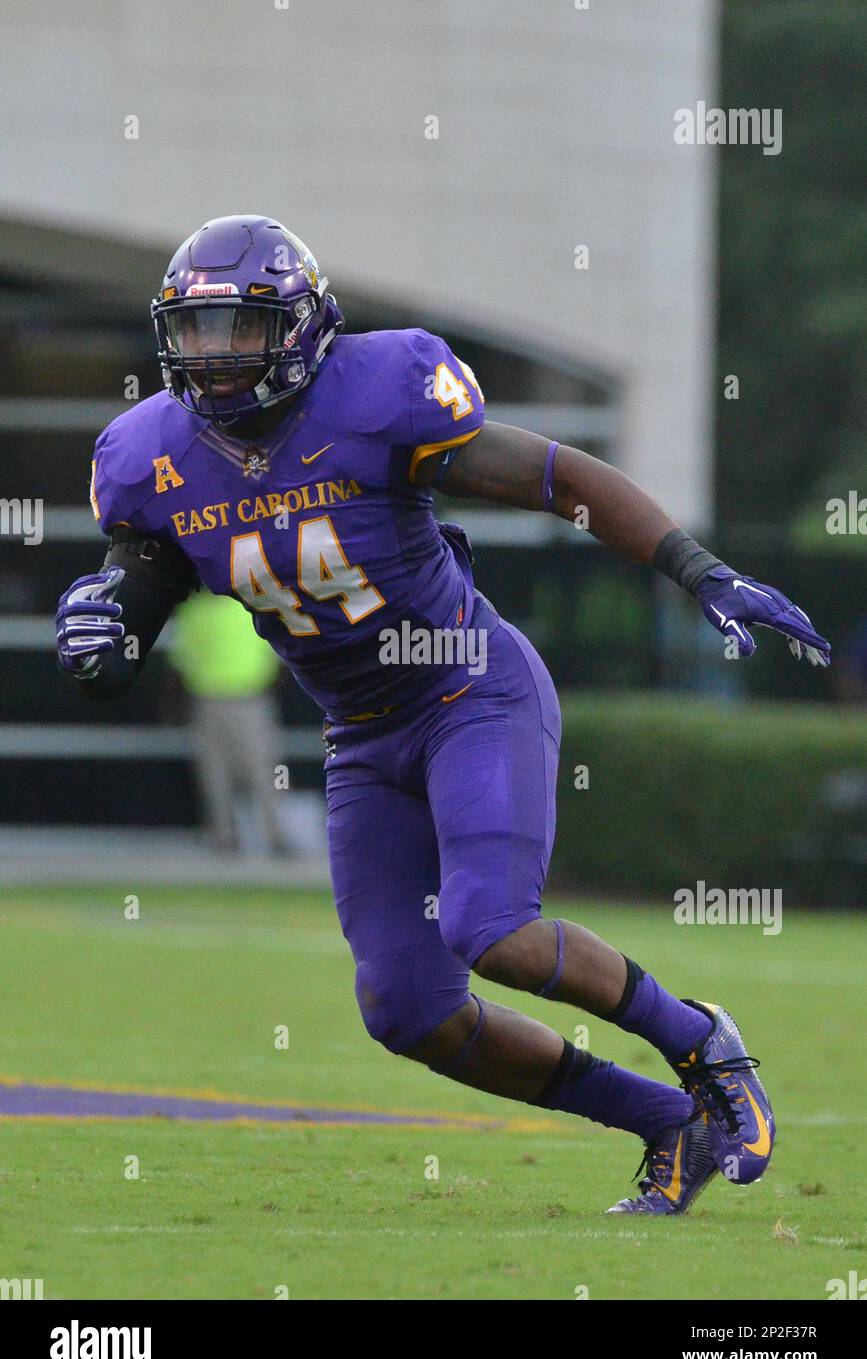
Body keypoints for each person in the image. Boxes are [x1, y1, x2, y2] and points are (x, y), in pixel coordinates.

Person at [55, 216, 830, 1214]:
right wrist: (103, 640)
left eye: (238, 329)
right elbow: (135, 604)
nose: (214, 357)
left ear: (297, 328)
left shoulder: (379, 398)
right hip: (364, 738)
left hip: (472, 688)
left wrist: (698, 567)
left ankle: (700, 1041)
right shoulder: (149, 456)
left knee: (489, 925)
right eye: (195, 333)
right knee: (407, 1009)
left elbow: (559, 477)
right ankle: (663, 1121)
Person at [166, 589, 291, 856]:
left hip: (247, 698)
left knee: (261, 769)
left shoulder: (249, 607)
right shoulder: (199, 611)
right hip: (212, 698)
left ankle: (275, 836)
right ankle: (226, 839)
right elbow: (181, 660)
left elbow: (275, 655)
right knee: (216, 773)